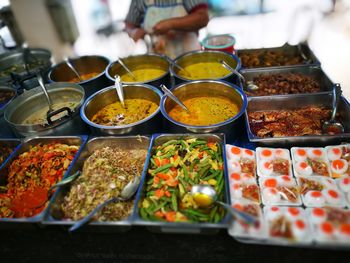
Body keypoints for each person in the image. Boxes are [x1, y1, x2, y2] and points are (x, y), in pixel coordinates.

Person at [125, 0, 209, 58]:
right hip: (157, 62)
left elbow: (203, 18)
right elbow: (129, 24)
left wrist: (170, 24)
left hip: (191, 58)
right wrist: (133, 32)